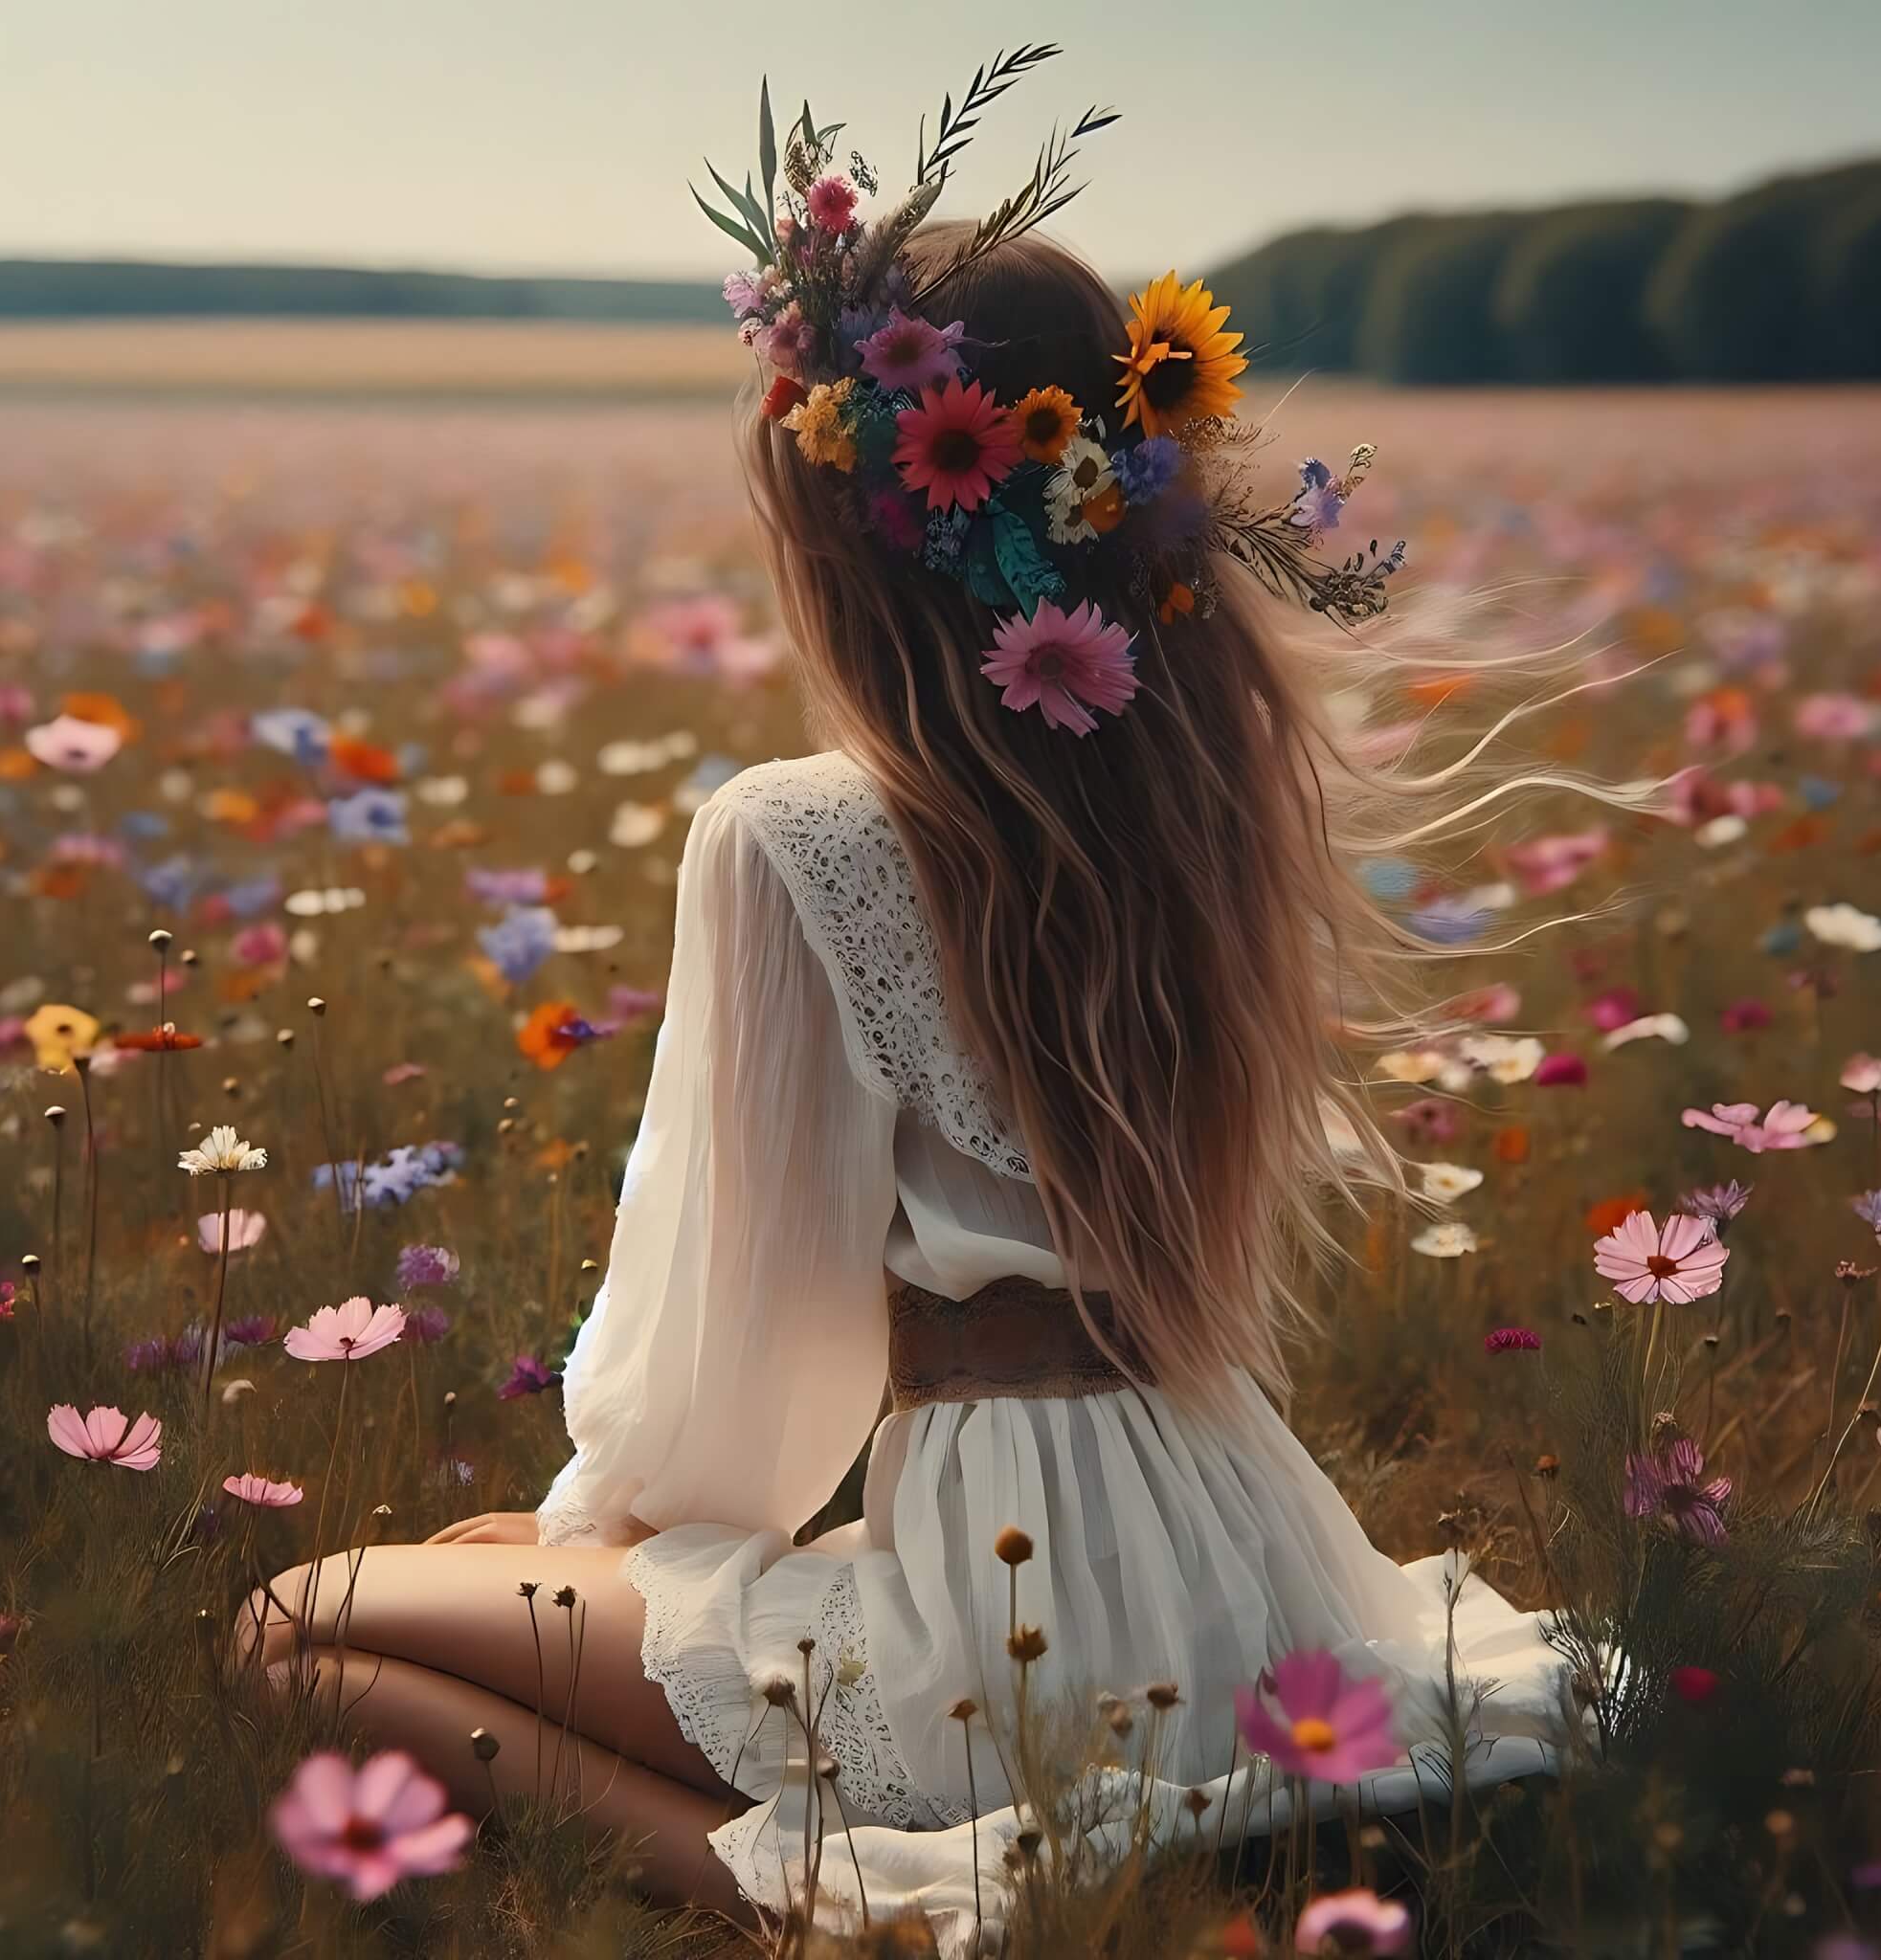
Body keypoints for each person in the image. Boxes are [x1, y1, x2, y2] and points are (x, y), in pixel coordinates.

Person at [243, 61, 1610, 1950]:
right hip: (1249, 1565)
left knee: (295, 1626)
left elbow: (735, 1349)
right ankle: (1135, 1832)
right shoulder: (1208, 800)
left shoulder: (798, 837)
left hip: (997, 1606)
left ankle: (821, 1897)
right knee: (513, 1585)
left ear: (850, 537)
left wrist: (605, 1540)